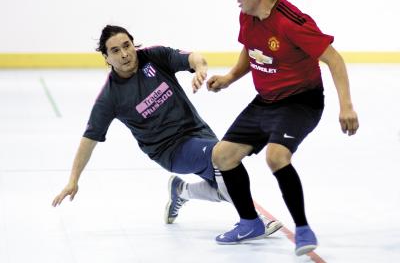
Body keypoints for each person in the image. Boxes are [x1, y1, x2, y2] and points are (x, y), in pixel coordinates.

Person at [51, 24, 282, 238]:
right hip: (170, 151)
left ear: (133, 44)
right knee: (225, 159)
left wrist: (200, 68)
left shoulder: (154, 57)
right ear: (106, 57)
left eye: (126, 46)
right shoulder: (110, 97)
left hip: (199, 131)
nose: (124, 54)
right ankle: (253, 220)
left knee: (224, 187)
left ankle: (181, 191)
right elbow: (89, 139)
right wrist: (73, 180)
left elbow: (192, 58)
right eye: (115, 50)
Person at [207, 0, 359, 255]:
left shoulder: (293, 22)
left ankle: (302, 229)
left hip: (301, 101)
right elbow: (251, 51)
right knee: (222, 155)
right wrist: (228, 79)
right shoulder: (248, 16)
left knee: (276, 156)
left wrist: (347, 107)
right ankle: (250, 222)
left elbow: (334, 59)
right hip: (265, 101)